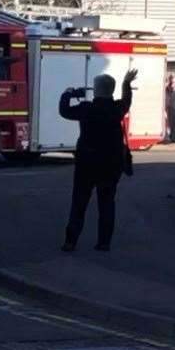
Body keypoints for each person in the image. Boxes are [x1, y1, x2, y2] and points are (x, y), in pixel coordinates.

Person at [59, 68, 137, 253]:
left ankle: (70, 241)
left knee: (79, 202)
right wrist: (126, 83)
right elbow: (127, 100)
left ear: (96, 90)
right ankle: (104, 242)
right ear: (111, 90)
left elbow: (64, 111)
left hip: (86, 162)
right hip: (111, 163)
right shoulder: (116, 109)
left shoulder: (86, 109)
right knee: (107, 203)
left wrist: (68, 93)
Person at [163, 73, 175, 143]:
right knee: (166, 122)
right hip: (166, 107)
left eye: (173, 79)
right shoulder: (166, 87)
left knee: (170, 123)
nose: (171, 81)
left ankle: (170, 137)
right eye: (171, 79)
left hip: (171, 107)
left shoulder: (174, 88)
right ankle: (167, 136)